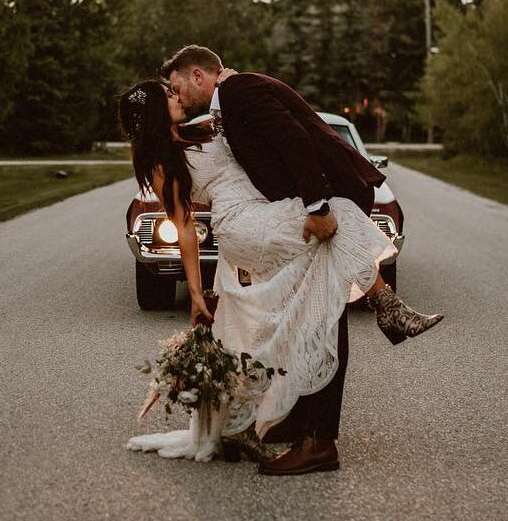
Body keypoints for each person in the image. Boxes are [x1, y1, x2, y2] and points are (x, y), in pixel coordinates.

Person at [118, 47, 441, 476]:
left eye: (174, 88)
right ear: (158, 112)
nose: (175, 95)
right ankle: (385, 307)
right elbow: (183, 229)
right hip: (243, 225)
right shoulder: (162, 162)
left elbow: (250, 127)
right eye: (168, 95)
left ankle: (263, 421)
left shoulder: (204, 125)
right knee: (336, 216)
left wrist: (226, 82)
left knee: (299, 301)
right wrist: (196, 294)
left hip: (261, 215)